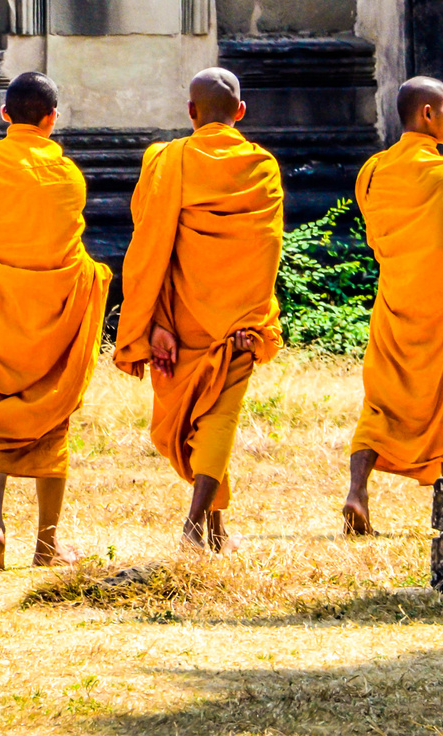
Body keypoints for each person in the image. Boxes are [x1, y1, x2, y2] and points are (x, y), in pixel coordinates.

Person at [114, 68, 284, 552]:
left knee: (209, 419)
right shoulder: (262, 165)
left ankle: (211, 527)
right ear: (241, 113)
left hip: (182, 315)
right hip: (238, 320)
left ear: (191, 112)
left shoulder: (168, 160)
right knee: (218, 418)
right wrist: (254, 316)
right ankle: (198, 527)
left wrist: (157, 320)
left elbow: (152, 245)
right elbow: (265, 249)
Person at [0, 72, 113, 570]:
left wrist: (0, 273)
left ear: (5, 115)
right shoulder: (68, 175)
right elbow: (71, 248)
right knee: (51, 416)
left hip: (1, 307)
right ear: (51, 119)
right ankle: (47, 544)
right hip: (57, 314)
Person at [344, 76, 443, 535]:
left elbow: (378, 235)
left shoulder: (371, 170)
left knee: (383, 399)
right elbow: (442, 244)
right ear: (427, 115)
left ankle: (357, 490)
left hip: (395, 295)